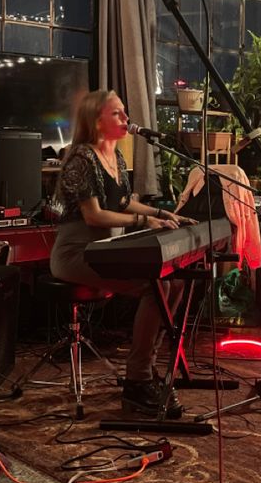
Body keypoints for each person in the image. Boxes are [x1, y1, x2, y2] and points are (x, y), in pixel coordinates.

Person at [51, 89, 196, 418]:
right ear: (96, 121)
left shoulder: (115, 157)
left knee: (175, 283)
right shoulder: (80, 159)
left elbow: (122, 203)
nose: (126, 119)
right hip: (77, 253)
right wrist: (146, 219)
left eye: (124, 112)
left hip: (105, 250)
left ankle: (146, 368)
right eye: (117, 113)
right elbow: (95, 216)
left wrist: (163, 213)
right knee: (155, 288)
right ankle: (137, 380)